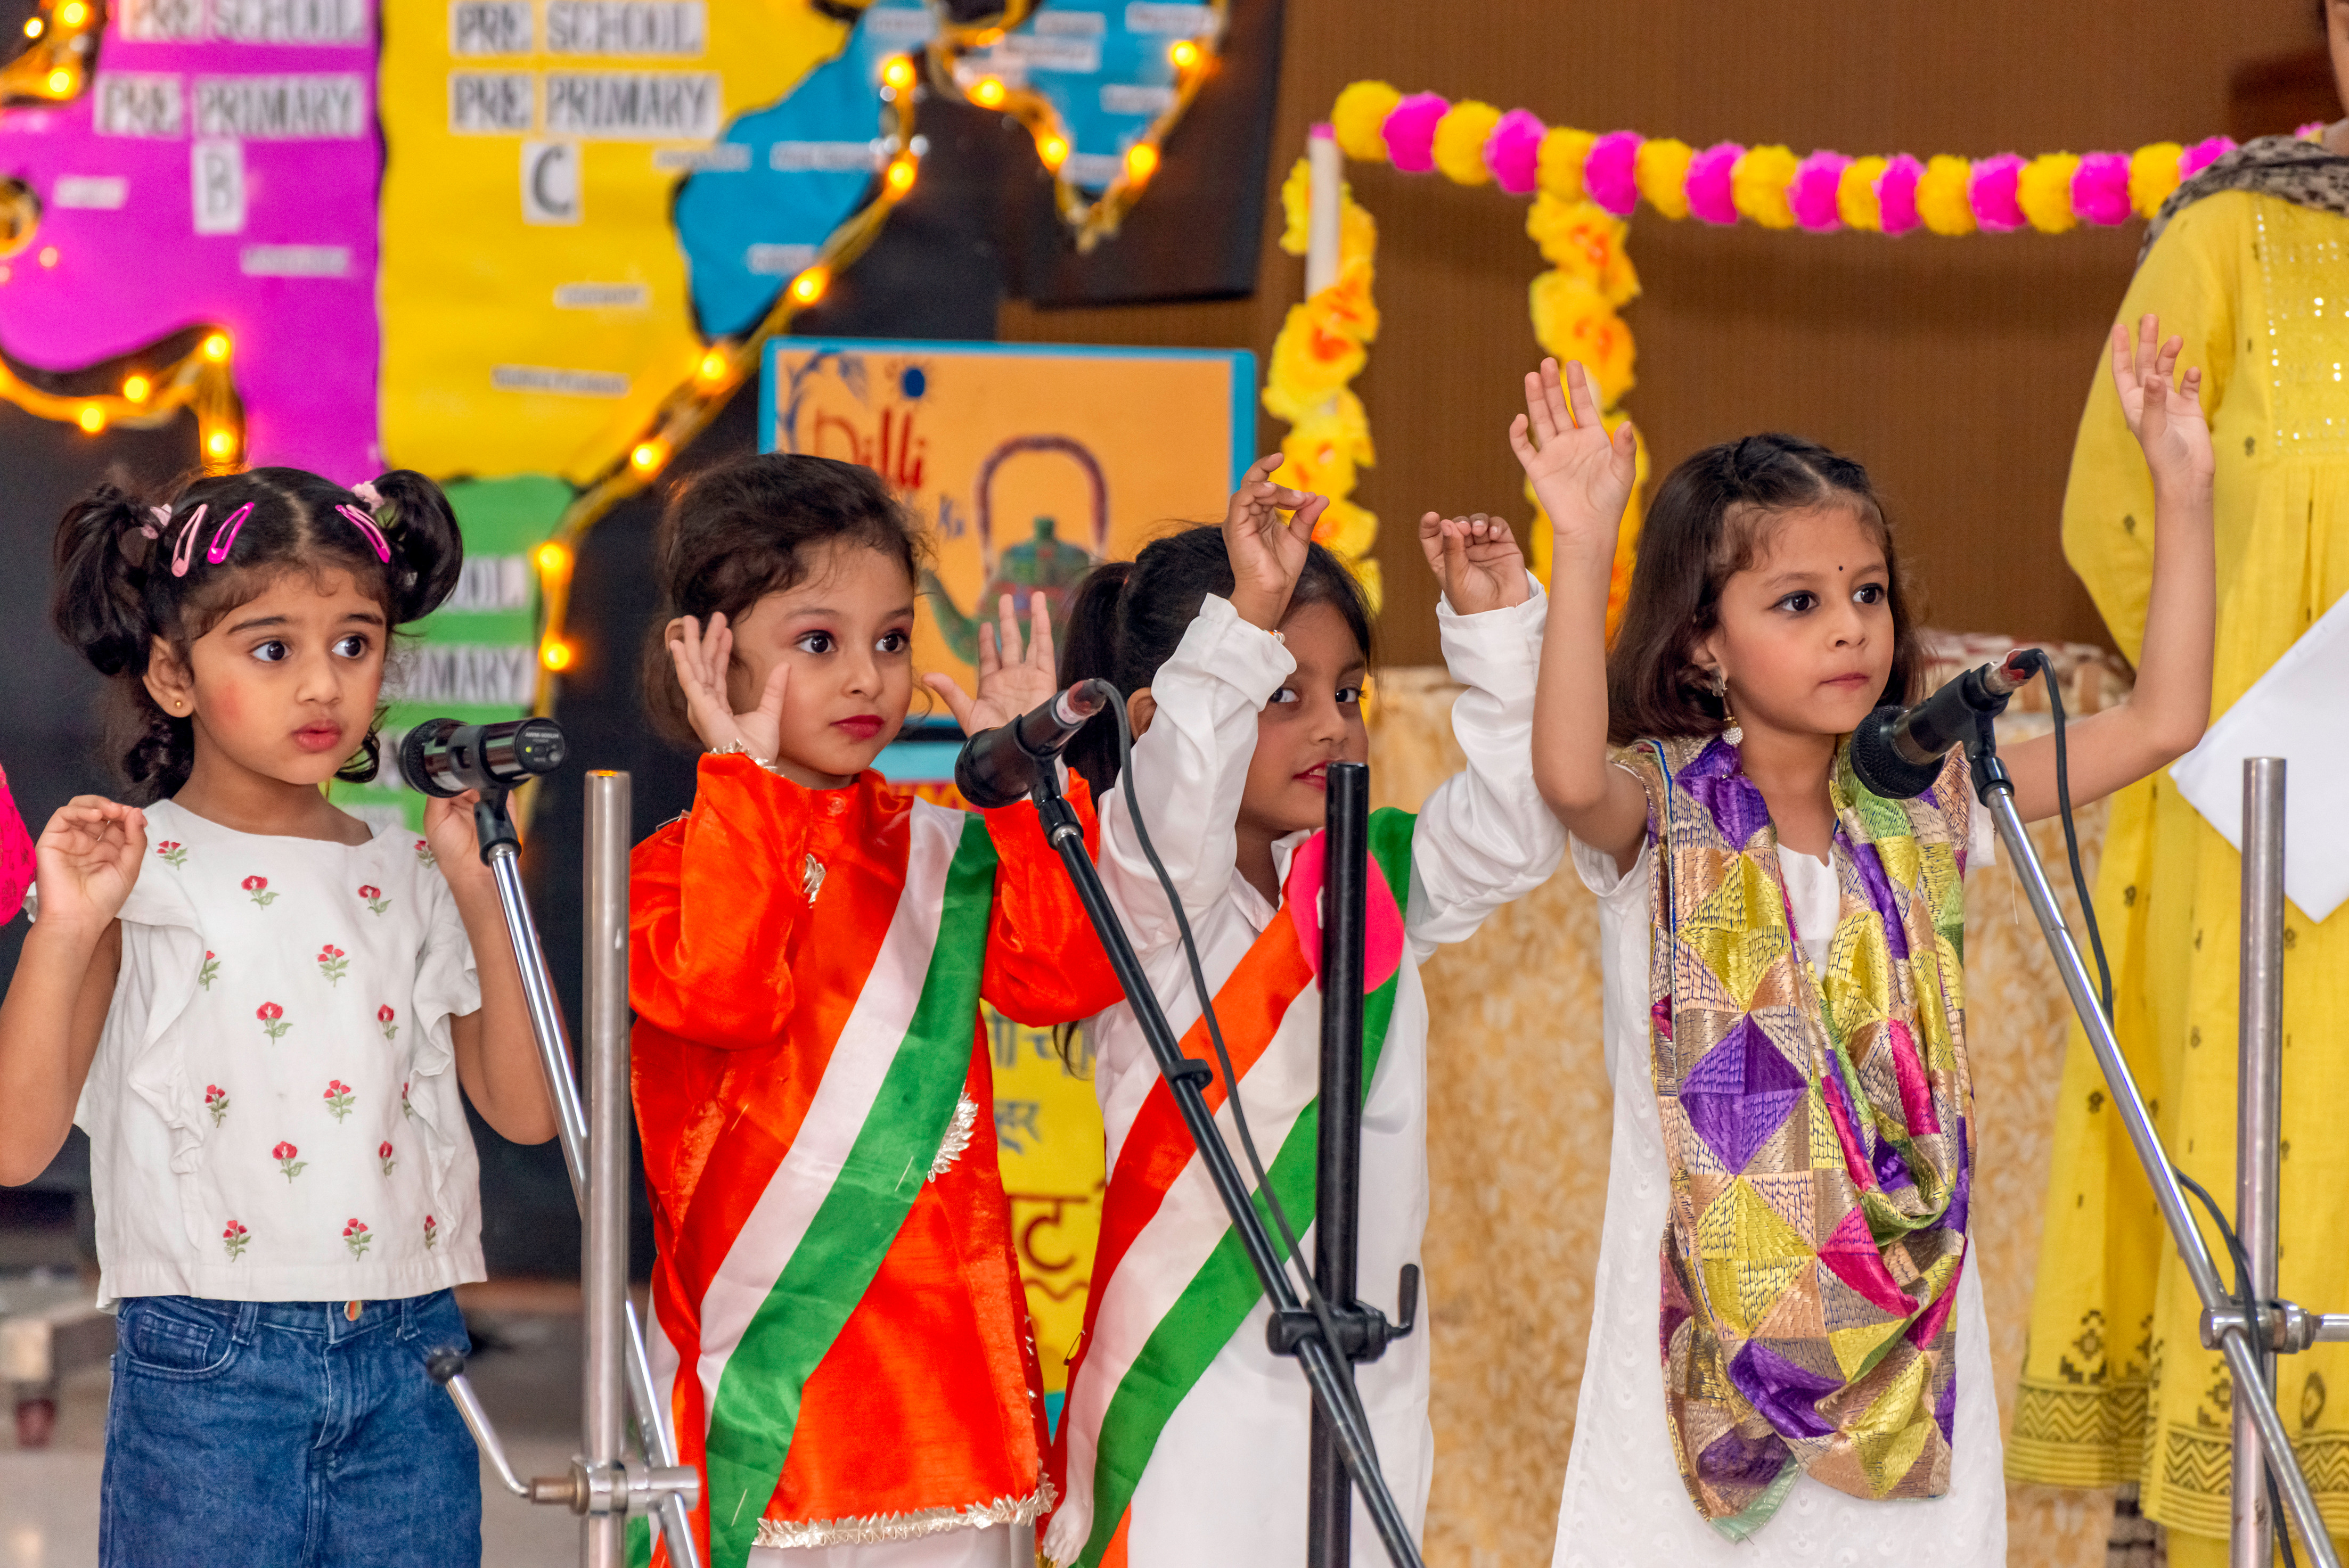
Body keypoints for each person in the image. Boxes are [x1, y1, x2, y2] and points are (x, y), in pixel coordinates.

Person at [1521, 333, 2214, 1566]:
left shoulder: (1929, 801)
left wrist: (2183, 489)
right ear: (1701, 643)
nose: (1848, 629)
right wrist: (1580, 545)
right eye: (1798, 602)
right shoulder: (1663, 811)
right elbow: (1570, 778)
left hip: (1910, 1342)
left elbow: (2163, 721)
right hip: (1704, 1345)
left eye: (1867, 593)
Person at [0, 465, 554, 1567]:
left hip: (413, 1353)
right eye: (271, 649)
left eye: (354, 644)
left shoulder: (410, 868)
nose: (322, 685)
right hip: (209, 1368)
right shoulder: (134, 870)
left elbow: (530, 1112)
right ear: (172, 673)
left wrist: (479, 888)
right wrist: (67, 927)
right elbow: (16, 1147)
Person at [1041, 456, 1566, 1568]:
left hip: (1366, 1387)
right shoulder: (1141, 889)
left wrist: (1495, 634)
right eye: (1283, 694)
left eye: (1348, 693)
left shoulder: (1365, 886)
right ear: (1168, 712)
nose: (1332, 726)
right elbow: (1174, 805)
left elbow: (1517, 833)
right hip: (1191, 1405)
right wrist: (1248, 615)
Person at [627, 453, 1124, 1568]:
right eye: (820, 642)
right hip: (759, 1406)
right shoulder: (668, 870)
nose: (867, 677)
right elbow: (723, 993)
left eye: (892, 640)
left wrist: (1029, 791)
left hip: (948, 1411)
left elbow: (1068, 978)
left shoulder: (945, 850)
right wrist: (744, 786)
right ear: (707, 653)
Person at [2010, 15, 2349, 1559]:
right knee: (2272, 1182)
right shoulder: (2228, 236)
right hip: (2264, 830)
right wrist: (2248, 722)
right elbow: (2117, 519)